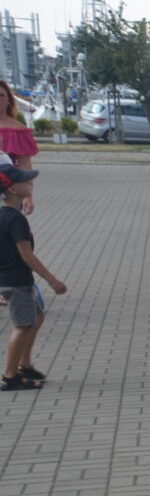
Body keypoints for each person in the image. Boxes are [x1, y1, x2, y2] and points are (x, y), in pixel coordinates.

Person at [1, 163, 66, 390]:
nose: (30, 183)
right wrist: (52, 280)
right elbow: (27, 255)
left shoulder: (4, 215)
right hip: (16, 281)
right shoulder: (16, 219)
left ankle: (25, 365)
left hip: (13, 280)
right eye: (25, 181)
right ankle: (10, 377)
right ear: (12, 189)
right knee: (23, 326)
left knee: (36, 317)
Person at [0, 80, 39, 216]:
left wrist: (27, 195)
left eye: (1, 95)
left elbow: (24, 165)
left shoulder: (18, 130)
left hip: (8, 192)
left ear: (9, 100)